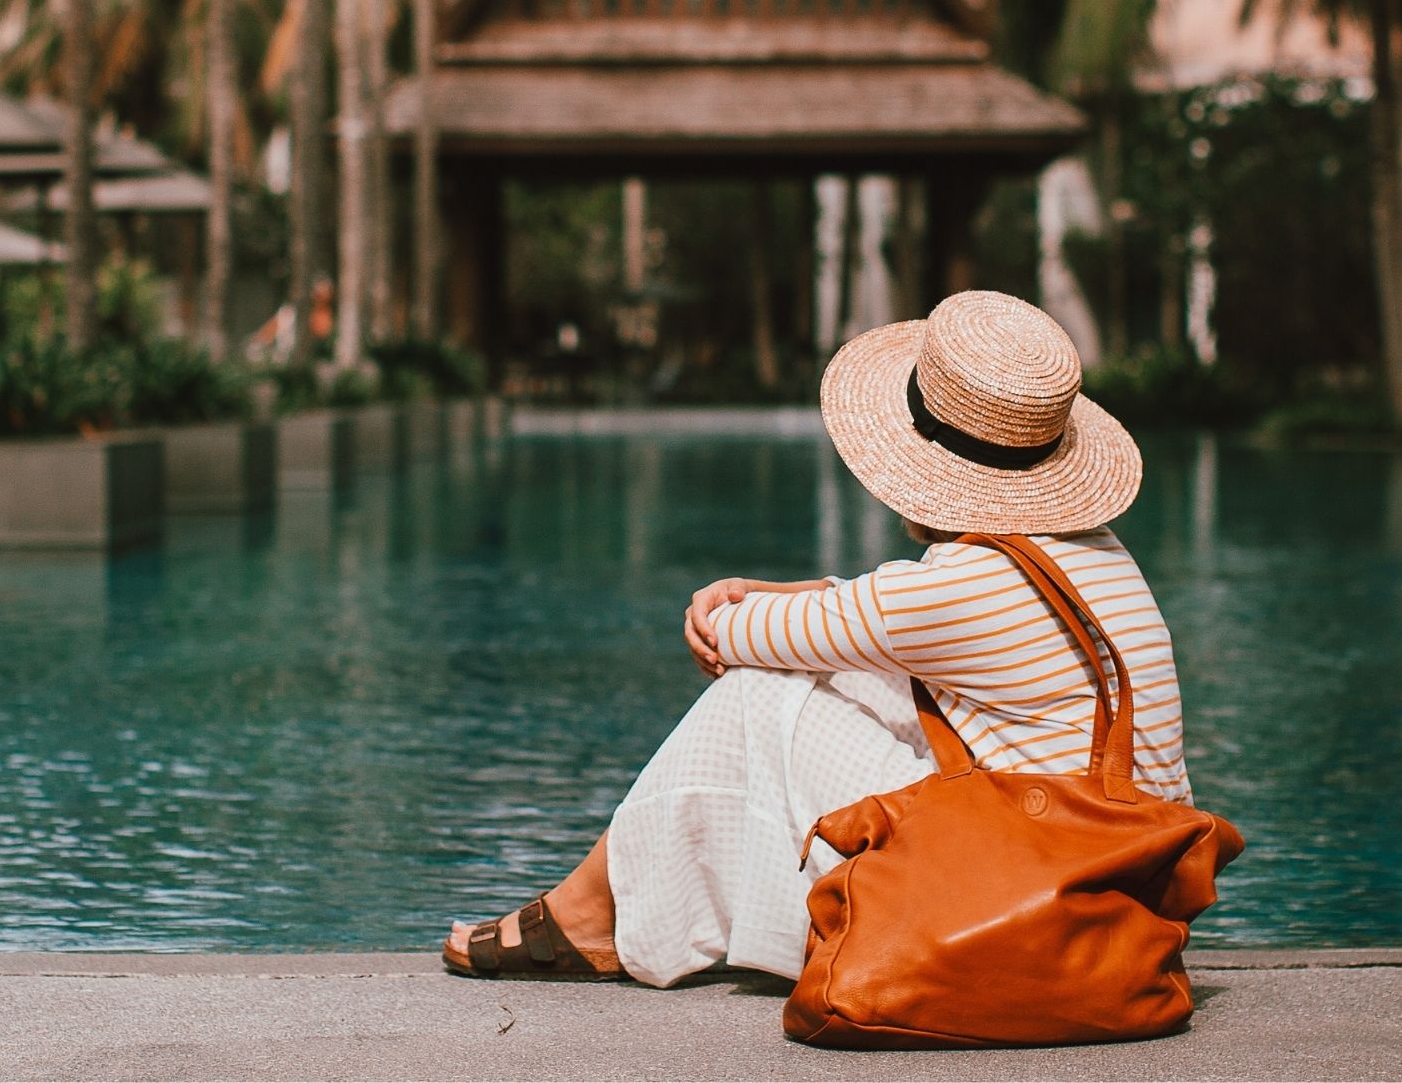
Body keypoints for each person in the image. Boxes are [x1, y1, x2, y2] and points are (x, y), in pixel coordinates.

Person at [443, 290, 1192, 984]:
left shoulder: (953, 590)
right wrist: (773, 591)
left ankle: (587, 913)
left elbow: (743, 638)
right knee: (855, 675)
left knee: (763, 695)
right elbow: (878, 612)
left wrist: (725, 602)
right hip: (1121, 881)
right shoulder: (1086, 549)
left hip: (1034, 891)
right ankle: (605, 908)